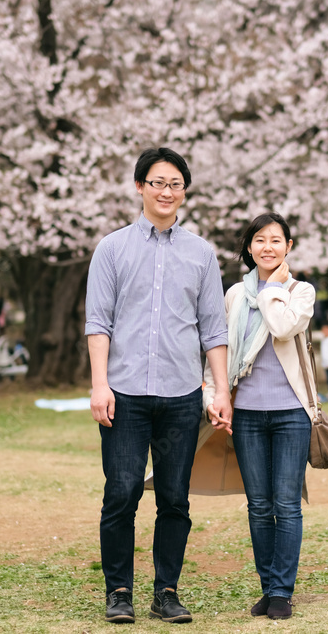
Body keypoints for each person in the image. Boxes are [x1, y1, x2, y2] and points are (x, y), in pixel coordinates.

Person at [84, 148, 230, 625]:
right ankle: (119, 592)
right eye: (157, 182)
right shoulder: (112, 248)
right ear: (140, 187)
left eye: (175, 184)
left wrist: (221, 390)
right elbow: (98, 323)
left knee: (175, 498)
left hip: (181, 397)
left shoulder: (201, 253)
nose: (166, 192)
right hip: (123, 395)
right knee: (121, 492)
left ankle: (166, 591)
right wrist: (99, 384)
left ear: (184, 192)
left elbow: (214, 329)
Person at [201, 212, 315, 621]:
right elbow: (219, 349)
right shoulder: (233, 295)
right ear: (248, 247)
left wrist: (271, 288)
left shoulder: (300, 292)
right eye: (260, 240)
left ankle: (282, 591)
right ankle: (268, 587)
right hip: (247, 413)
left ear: (288, 247)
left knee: (286, 504)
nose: (268, 247)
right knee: (258, 504)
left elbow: (283, 328)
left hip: (291, 414)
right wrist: (213, 395)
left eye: (276, 240)